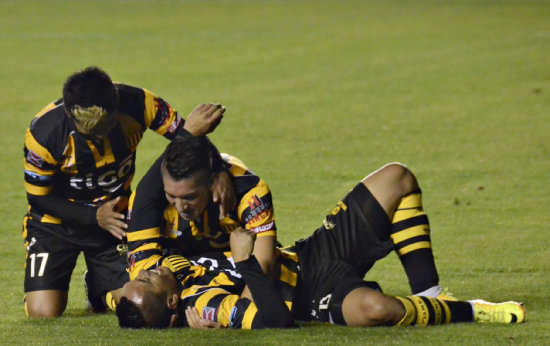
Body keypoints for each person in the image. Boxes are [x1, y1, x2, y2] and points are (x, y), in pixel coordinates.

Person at [115, 162, 525, 329]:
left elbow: (148, 198)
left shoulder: (166, 262)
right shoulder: (204, 304)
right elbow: (276, 321)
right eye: (148, 280)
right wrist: (246, 266)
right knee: (376, 310)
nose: (147, 270)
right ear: (171, 303)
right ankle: (471, 310)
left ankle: (431, 293)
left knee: (396, 177)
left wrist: (195, 145)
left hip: (312, 254)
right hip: (312, 295)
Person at [22, 66, 233, 318]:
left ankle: (97, 288)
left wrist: (218, 169)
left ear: (116, 105)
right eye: (90, 131)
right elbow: (38, 197)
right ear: (70, 114)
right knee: (42, 312)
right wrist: (94, 216)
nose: (100, 135)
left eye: (107, 126)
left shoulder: (140, 103)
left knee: (138, 299)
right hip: (55, 226)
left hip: (116, 223)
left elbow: (190, 135)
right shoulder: (44, 134)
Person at [124, 136, 278, 297]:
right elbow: (144, 281)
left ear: (211, 182)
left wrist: (240, 312)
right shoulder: (149, 201)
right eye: (171, 196)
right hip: (181, 275)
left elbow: (264, 267)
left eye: (189, 197)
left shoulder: (249, 191)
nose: (181, 207)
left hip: (235, 272)